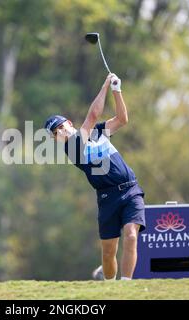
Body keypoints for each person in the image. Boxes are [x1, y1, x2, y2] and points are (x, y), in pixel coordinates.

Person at [44, 73, 145, 281]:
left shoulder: (98, 132)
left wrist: (117, 91)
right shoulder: (72, 148)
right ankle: (108, 287)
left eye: (62, 126)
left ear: (69, 123)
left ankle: (126, 289)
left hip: (130, 189)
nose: (61, 132)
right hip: (108, 198)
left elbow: (122, 119)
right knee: (109, 252)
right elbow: (92, 116)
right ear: (56, 140)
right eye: (56, 133)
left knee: (132, 236)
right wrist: (106, 84)